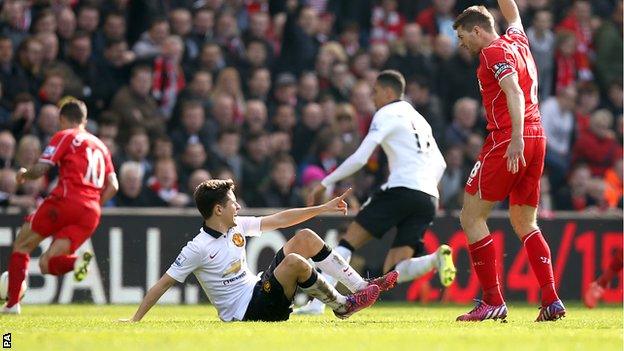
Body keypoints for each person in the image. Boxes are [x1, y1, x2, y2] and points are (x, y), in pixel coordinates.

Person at [121, 179, 396, 322]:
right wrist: (135, 319)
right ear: (218, 210)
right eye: (232, 203)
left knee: (305, 238)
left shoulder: (236, 226)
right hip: (249, 311)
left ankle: (360, 286)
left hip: (259, 290)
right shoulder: (198, 247)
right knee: (295, 262)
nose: (238, 207)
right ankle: (343, 306)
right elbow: (164, 282)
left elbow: (280, 219)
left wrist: (322, 209)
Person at [305, 70, 455, 314]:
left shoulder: (386, 113)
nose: (373, 98)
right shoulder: (420, 119)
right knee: (394, 268)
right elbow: (441, 163)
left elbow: (361, 158)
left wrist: (326, 182)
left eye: (374, 92)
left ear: (388, 92)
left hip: (401, 189)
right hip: (428, 196)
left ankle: (317, 305)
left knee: (348, 241)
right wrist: (423, 185)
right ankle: (435, 259)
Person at [453, 0, 565, 322]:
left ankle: (492, 300)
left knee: (471, 216)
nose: (463, 45)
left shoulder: (492, 52)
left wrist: (514, 137)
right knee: (524, 222)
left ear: (478, 30)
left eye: (464, 37)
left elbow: (513, 92)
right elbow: (512, 12)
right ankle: (551, 299)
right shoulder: (517, 40)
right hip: (537, 136)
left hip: (509, 138)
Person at [2, 98, 118, 314]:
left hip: (65, 201)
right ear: (84, 119)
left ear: (63, 118)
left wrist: (25, 175)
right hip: (90, 212)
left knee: (22, 245)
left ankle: (12, 305)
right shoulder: (101, 146)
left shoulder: (66, 135)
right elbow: (113, 185)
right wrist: (94, 203)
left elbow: (42, 168)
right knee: (47, 264)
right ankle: (77, 263)